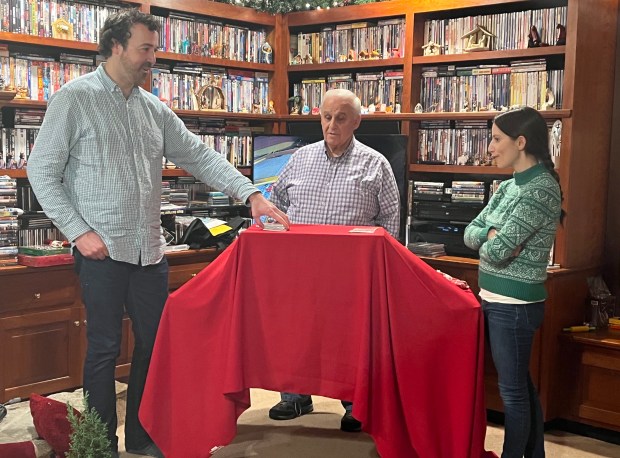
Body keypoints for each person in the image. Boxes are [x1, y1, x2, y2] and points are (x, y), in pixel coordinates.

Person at [26, 9, 289, 458]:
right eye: (144, 48)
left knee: (154, 346)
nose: (152, 57)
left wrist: (251, 195)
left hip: (150, 251)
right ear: (115, 46)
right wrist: (77, 232)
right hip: (100, 252)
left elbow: (200, 156)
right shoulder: (74, 99)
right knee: (104, 350)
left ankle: (143, 437)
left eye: (154, 48)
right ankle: (101, 445)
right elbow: (41, 170)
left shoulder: (153, 108)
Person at [267, 88, 400, 432]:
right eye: (327, 117)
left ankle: (355, 403)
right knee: (298, 332)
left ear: (356, 121)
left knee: (351, 340)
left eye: (341, 118)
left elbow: (390, 224)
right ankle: (295, 395)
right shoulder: (299, 159)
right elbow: (274, 204)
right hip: (301, 270)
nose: (332, 125)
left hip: (352, 275)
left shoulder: (376, 164)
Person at [464, 107, 563, 458]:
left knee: (513, 393)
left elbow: (501, 251)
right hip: (494, 298)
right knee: (519, 387)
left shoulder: (541, 190)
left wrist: (491, 238)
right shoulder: (508, 187)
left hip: (515, 306)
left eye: (496, 139)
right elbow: (469, 233)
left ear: (520, 142)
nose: (490, 147)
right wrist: (490, 234)